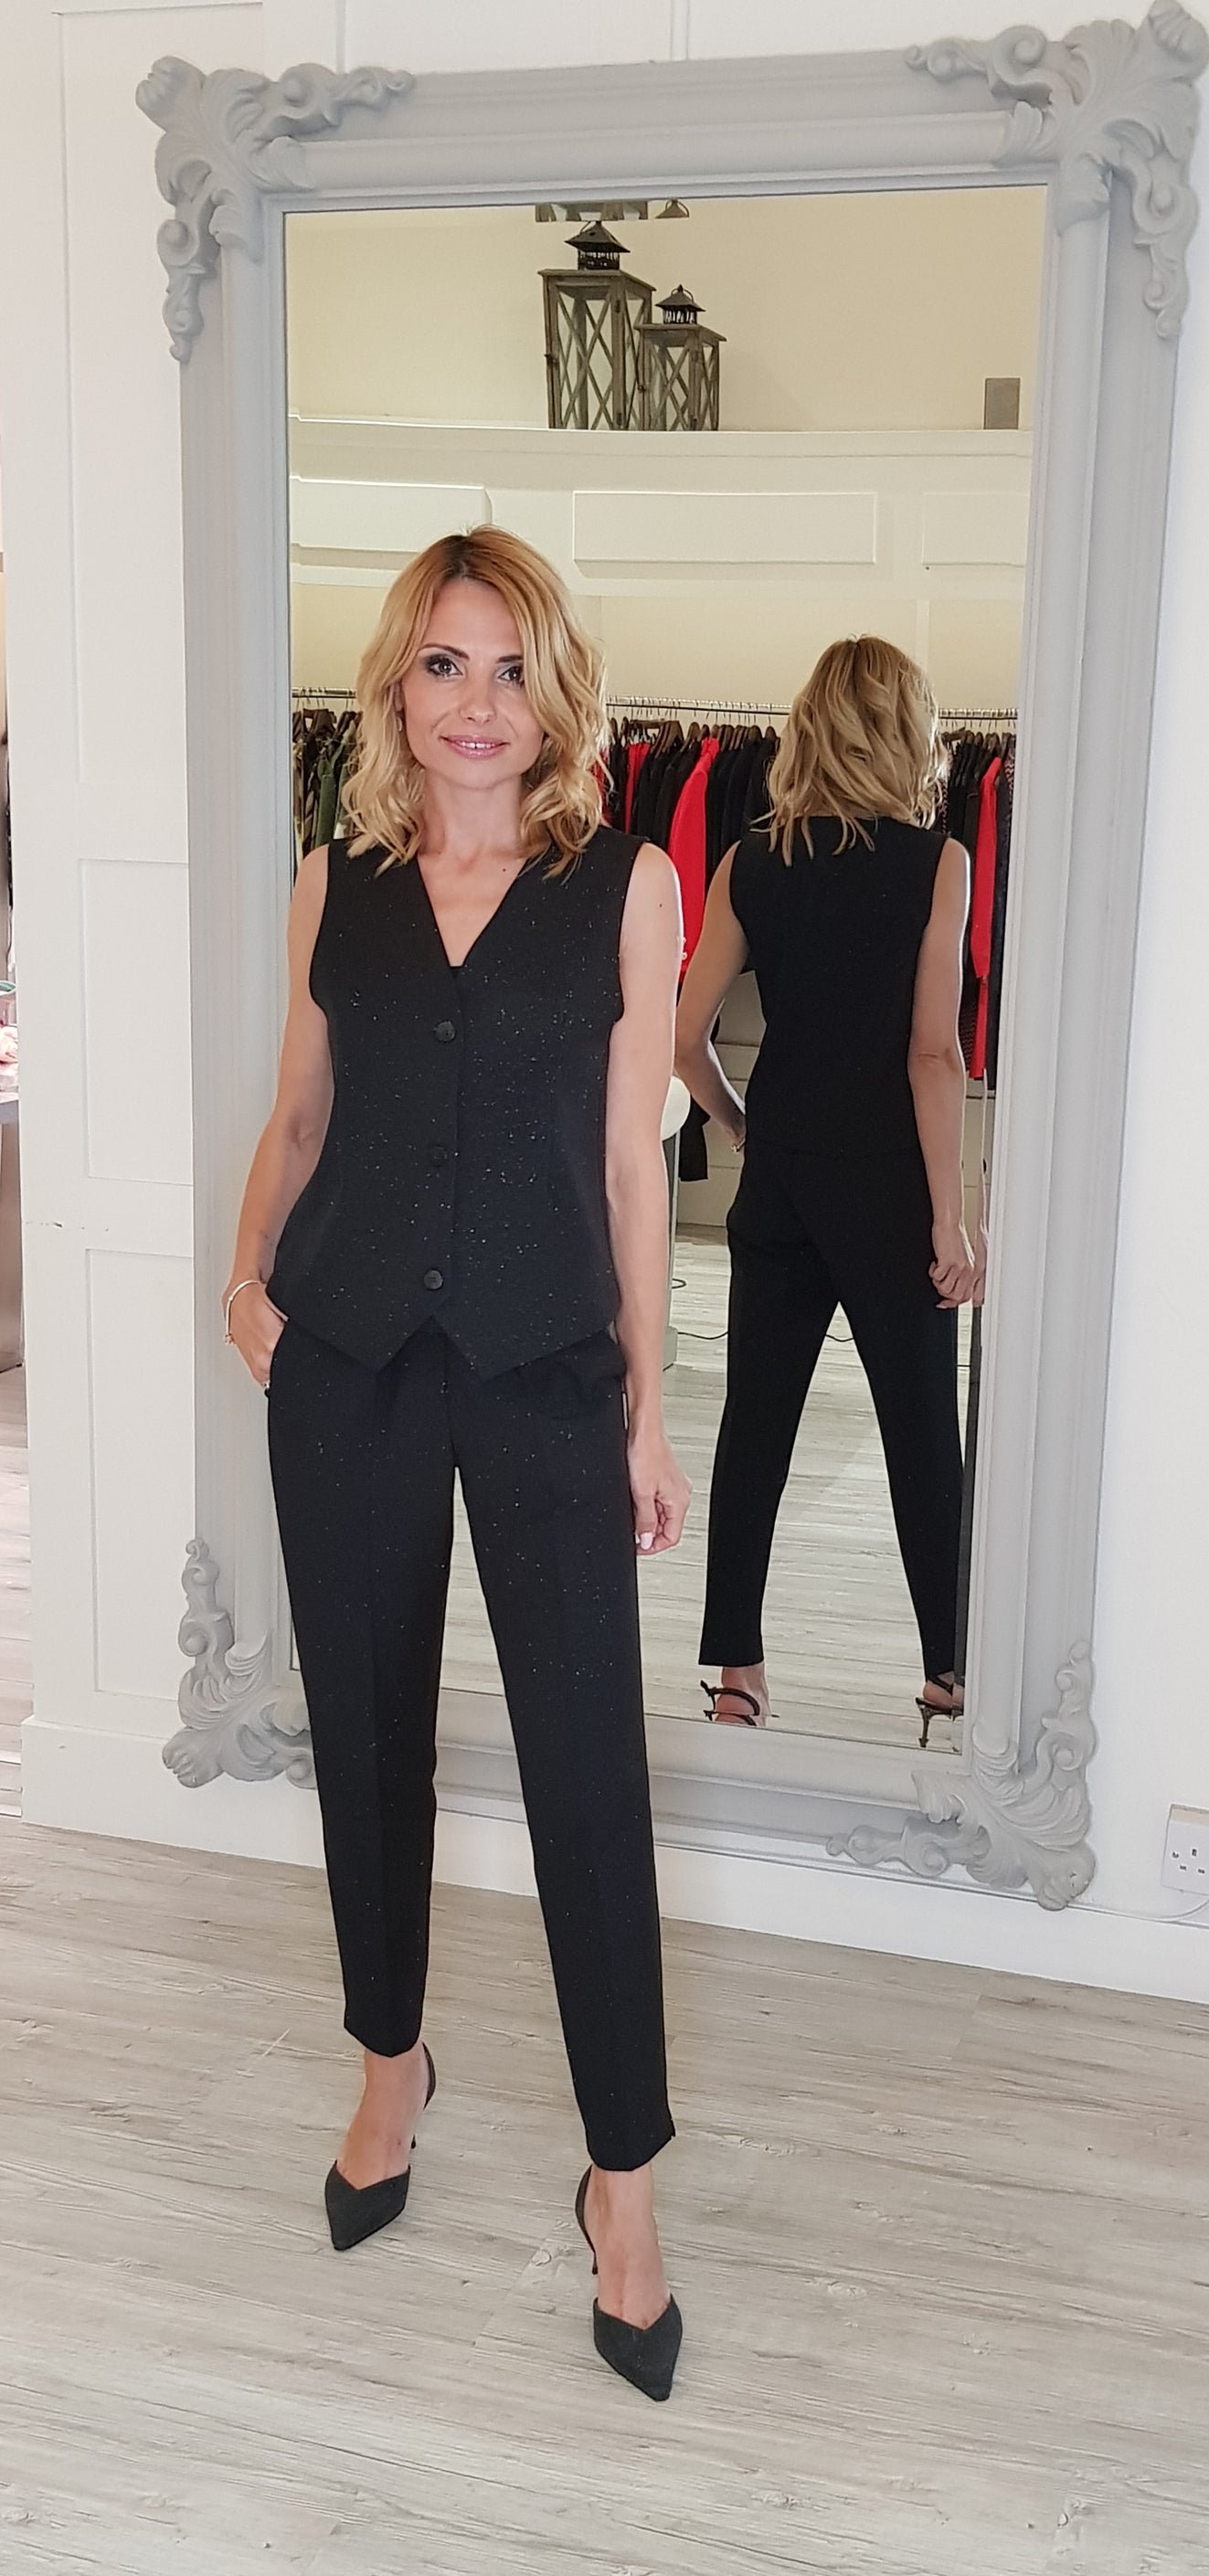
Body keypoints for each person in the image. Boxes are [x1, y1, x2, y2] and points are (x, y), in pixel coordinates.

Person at [223, 528, 690, 2401]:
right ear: (397, 690)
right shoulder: (331, 883)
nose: (475, 704)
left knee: (588, 1776)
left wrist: (645, 1404)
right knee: (365, 1738)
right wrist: (244, 1280)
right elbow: (300, 1111)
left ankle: (623, 2176)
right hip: (345, 1364)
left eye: (508, 668)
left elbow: (634, 1163)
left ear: (551, 692)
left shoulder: (628, 885)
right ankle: (388, 2063)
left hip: (545, 1369)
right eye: (442, 664)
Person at [674, 635, 981, 1746]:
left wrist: (741, 1126)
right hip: (887, 1193)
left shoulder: (749, 861)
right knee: (920, 1437)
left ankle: (736, 1676)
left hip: (782, 1187)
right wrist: (948, 1218)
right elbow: (931, 1056)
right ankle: (947, 1671)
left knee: (753, 1428)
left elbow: (682, 1038)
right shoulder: (936, 863)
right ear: (904, 733)